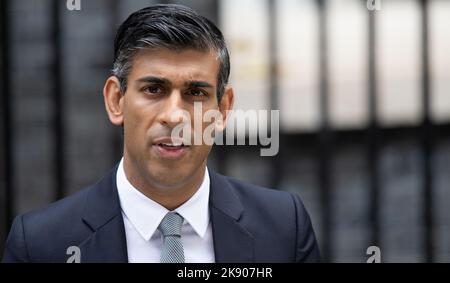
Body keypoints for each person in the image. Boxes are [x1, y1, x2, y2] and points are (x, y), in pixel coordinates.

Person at [2, 4, 320, 263]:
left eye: (196, 93)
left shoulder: (283, 228)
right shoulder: (41, 244)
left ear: (223, 109)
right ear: (116, 100)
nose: (173, 116)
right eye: (154, 89)